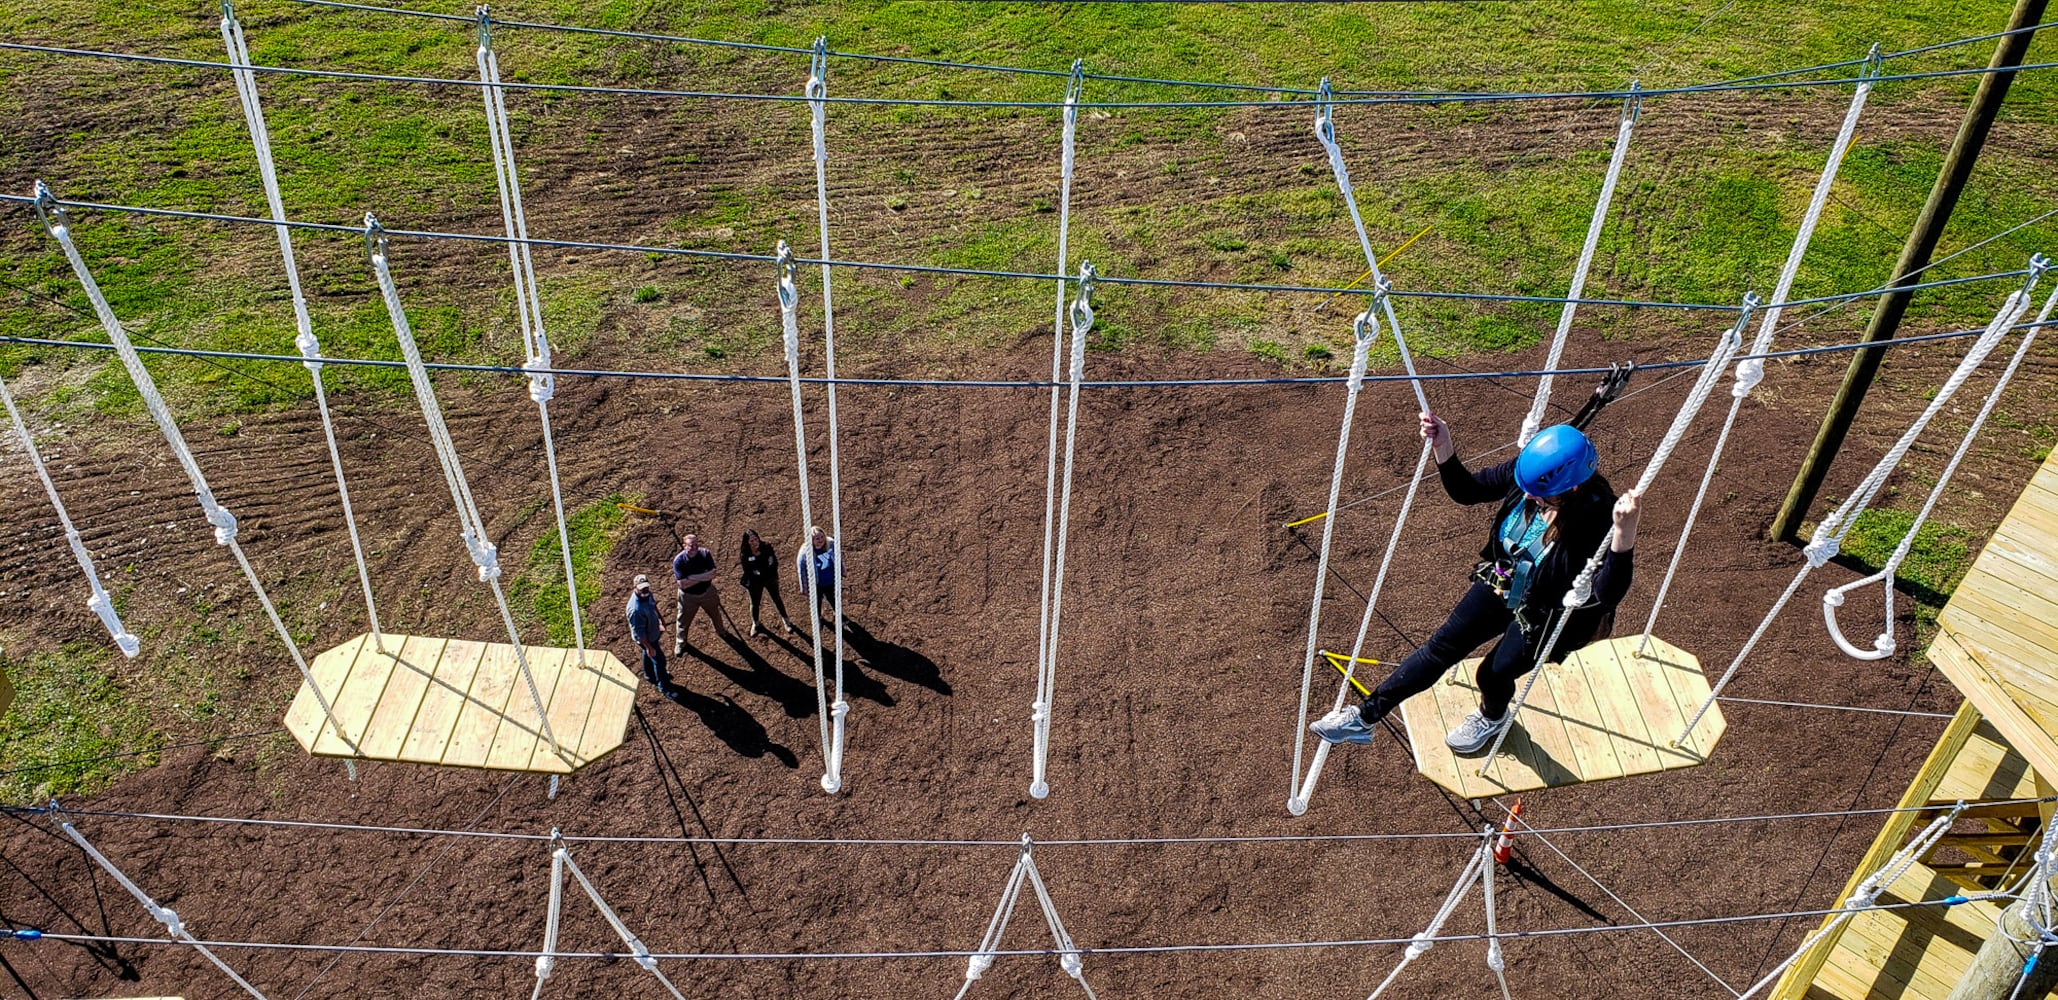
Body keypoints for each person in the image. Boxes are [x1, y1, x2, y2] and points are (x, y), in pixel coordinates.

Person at [1310, 412, 1643, 755]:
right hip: (1506, 581)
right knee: (1441, 647)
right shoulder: (1529, 478)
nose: (1529, 498)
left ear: (1570, 489)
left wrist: (1623, 535)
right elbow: (1468, 490)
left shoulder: (1597, 518)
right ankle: (1365, 717)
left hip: (1547, 612)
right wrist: (1444, 446)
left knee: (1492, 674)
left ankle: (1492, 715)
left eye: (1541, 497)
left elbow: (1607, 593)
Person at [671, 532, 734, 652]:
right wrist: (703, 576)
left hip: (707, 592)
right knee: (683, 621)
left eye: (696, 544)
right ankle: (681, 642)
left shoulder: (705, 553)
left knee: (715, 613)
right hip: (688, 597)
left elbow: (713, 574)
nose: (694, 547)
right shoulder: (678, 561)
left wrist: (691, 577)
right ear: (684, 546)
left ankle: (721, 631)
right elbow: (682, 584)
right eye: (690, 545)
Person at [739, 528, 798, 638]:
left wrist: (761, 571)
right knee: (755, 603)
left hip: (770, 579)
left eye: (756, 539)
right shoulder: (745, 554)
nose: (755, 542)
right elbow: (749, 571)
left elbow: (773, 563)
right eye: (751, 541)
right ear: (747, 542)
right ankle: (755, 623)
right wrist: (760, 571)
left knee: (777, 598)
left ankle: (786, 620)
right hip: (754, 583)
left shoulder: (766, 547)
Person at [625, 574, 670, 690]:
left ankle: (649, 675)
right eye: (641, 588)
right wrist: (649, 646)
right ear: (635, 587)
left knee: (647, 654)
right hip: (646, 638)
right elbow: (639, 633)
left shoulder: (647, 594)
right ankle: (664, 687)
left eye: (646, 587)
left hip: (652, 632)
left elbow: (654, 607)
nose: (645, 590)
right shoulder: (635, 610)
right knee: (660, 661)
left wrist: (661, 620)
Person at [796, 525, 841, 625]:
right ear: (811, 540)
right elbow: (801, 570)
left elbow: (838, 557)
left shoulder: (831, 543)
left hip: (830, 580)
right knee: (816, 601)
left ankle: (837, 612)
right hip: (816, 583)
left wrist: (842, 569)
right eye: (817, 538)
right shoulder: (805, 553)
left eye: (822, 537)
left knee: (832, 597)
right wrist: (804, 587)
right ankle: (818, 617)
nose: (820, 540)